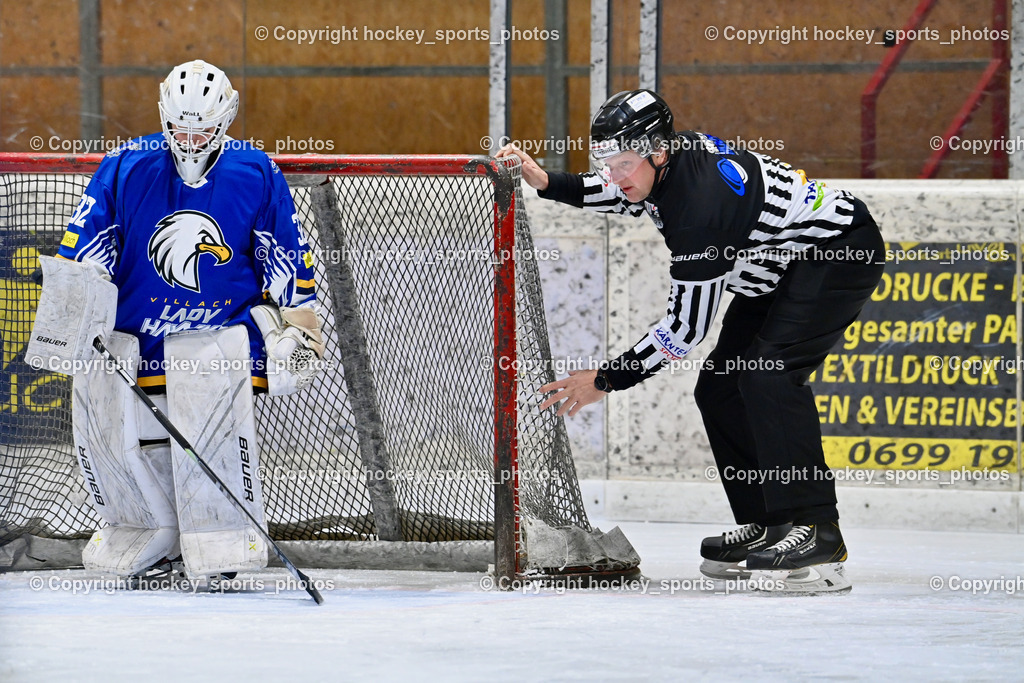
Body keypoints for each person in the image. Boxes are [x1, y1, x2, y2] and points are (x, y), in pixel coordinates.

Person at [498, 89, 885, 594]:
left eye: (625, 163)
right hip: (776, 265)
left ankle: (818, 532)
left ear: (659, 152)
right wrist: (548, 181)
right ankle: (770, 522)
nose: (616, 175)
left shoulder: (699, 211)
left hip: (836, 251)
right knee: (720, 388)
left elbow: (685, 330)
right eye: (608, 163)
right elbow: (623, 190)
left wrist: (606, 379)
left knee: (767, 375)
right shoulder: (664, 162)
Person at [41, 59, 323, 583]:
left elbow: (285, 256)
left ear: (228, 117)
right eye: (181, 126)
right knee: (122, 439)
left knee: (209, 437)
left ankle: (220, 541)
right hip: (133, 337)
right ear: (163, 117)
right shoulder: (126, 164)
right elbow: (86, 245)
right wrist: (74, 314)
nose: (191, 139)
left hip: (217, 340)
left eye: (204, 127)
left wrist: (302, 331)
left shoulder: (255, 171)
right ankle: (148, 533)